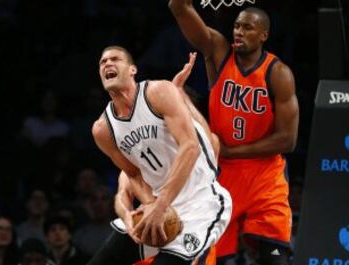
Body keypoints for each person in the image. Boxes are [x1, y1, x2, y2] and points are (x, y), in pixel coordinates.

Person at [169, 2, 299, 264]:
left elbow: (288, 139)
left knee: (276, 258)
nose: (238, 32)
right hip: (223, 174)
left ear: (263, 35)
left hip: (265, 175)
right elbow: (178, 8)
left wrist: (232, 151)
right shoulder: (218, 51)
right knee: (214, 258)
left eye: (248, 27)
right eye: (237, 26)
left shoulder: (278, 73)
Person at [89, 46, 232, 265]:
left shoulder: (158, 92)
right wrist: (148, 206)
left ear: (132, 70)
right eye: (102, 62)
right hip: (159, 207)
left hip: (201, 204)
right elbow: (133, 175)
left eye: (115, 59)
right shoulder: (103, 129)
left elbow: (191, 146)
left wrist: (161, 205)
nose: (107, 64)